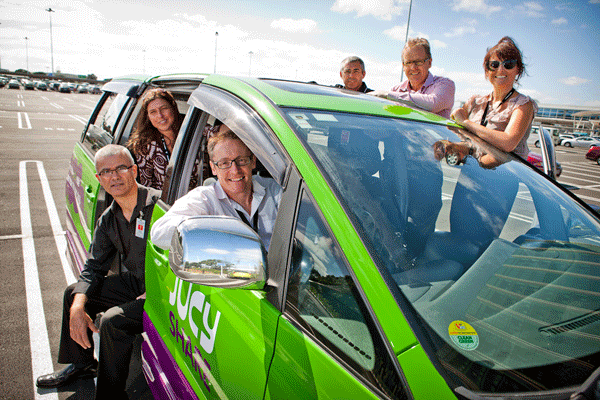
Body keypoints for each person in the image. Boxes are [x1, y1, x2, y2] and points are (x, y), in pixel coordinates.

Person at [36, 145, 161, 400]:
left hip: (162, 290)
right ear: (98, 179)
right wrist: (77, 307)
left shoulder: (159, 208)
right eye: (106, 171)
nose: (114, 176)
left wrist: (154, 289)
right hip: (137, 283)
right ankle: (82, 365)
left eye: (121, 168)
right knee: (74, 294)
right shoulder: (108, 218)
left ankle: (110, 395)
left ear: (134, 170)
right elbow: (94, 266)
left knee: (112, 320)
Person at [151, 128, 281, 250]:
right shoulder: (204, 199)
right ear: (213, 168)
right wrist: (210, 226)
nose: (235, 170)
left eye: (241, 160)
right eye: (224, 163)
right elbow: (159, 233)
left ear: (253, 161)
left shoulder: (273, 190)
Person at [450, 37, 537, 167]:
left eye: (508, 64)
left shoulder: (523, 105)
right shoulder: (475, 102)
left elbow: (508, 142)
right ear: (487, 69)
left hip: (502, 180)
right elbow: (457, 135)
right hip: (469, 175)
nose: (500, 70)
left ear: (518, 69)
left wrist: (466, 122)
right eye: (494, 65)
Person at [371, 38, 455, 118]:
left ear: (429, 63)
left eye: (418, 62)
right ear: (403, 66)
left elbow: (433, 104)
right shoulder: (396, 90)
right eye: (408, 63)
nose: (413, 67)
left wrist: (387, 95)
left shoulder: (445, 84)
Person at [127, 88, 183, 190]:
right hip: (164, 203)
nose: (160, 116)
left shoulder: (192, 130)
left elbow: (218, 132)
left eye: (164, 108)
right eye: (153, 112)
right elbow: (147, 187)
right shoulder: (145, 145)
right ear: (148, 116)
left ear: (173, 109)